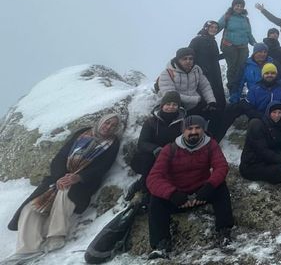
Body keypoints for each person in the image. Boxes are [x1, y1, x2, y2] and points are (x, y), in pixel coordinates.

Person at [5, 115, 121, 263]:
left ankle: (56, 237)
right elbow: (61, 156)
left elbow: (102, 167)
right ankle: (27, 249)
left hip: (82, 184)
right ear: (101, 122)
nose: (109, 127)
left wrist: (78, 177)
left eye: (113, 125)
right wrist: (59, 176)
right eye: (107, 122)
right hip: (56, 179)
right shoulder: (83, 133)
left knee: (65, 191)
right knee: (30, 208)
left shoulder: (112, 143)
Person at [145, 116, 234, 259]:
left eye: (198, 128)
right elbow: (153, 178)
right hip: (177, 197)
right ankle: (161, 244)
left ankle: (224, 233)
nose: (194, 132)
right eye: (189, 128)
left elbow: (221, 167)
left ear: (203, 129)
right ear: (183, 131)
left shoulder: (210, 145)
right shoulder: (170, 149)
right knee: (155, 200)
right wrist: (172, 194)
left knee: (221, 188)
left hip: (201, 193)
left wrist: (209, 186)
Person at [127, 92, 185, 200]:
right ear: (162, 105)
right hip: (149, 157)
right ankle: (143, 187)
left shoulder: (183, 123)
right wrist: (156, 149)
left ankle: (142, 187)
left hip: (171, 156)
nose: (171, 107)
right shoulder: (151, 122)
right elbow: (142, 143)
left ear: (178, 106)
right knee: (149, 162)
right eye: (168, 104)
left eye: (174, 104)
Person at [218, 0, 256, 96]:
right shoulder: (228, 16)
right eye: (237, 5)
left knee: (242, 68)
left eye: (241, 6)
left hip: (243, 47)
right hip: (229, 45)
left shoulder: (246, 19)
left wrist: (255, 44)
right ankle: (232, 89)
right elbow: (218, 26)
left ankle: (240, 88)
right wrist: (207, 33)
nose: (239, 7)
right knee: (233, 67)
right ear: (233, 6)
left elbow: (249, 33)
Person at [188, 20, 226, 110]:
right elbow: (189, 55)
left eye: (216, 28)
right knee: (205, 97)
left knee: (218, 96)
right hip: (202, 73)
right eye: (211, 27)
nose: (214, 29)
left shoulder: (213, 41)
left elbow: (214, 57)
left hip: (215, 72)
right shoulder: (197, 40)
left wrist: (226, 54)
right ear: (206, 27)